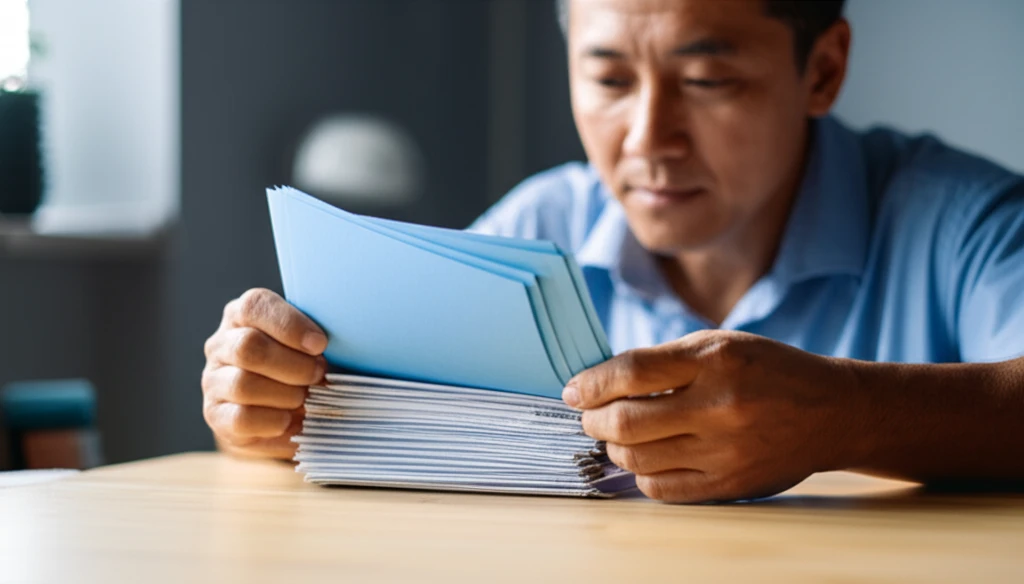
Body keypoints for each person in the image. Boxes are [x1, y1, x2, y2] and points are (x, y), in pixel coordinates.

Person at [202, 0, 1024, 503]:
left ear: (824, 68)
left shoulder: (966, 223)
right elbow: (355, 416)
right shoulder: (533, 227)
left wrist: (846, 413)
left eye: (706, 81)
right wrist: (271, 402)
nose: (648, 140)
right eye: (608, 81)